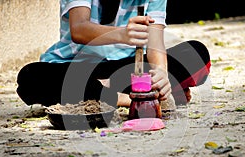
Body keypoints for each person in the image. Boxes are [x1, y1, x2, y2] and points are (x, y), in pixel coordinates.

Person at [16, 0, 211, 108]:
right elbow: (79, 29)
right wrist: (122, 34)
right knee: (31, 77)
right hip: (76, 67)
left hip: (126, 69)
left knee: (196, 53)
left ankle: (101, 92)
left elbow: (155, 44)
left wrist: (161, 75)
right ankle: (129, 99)